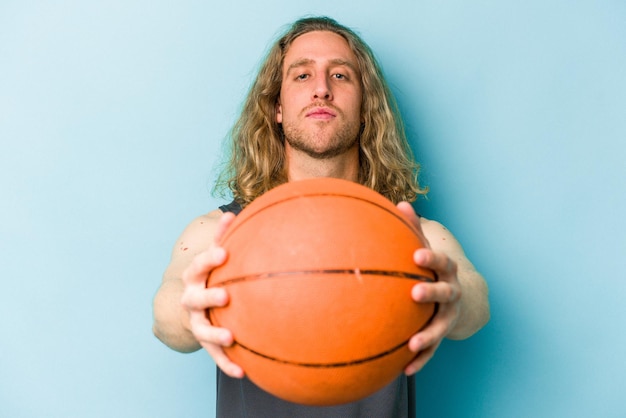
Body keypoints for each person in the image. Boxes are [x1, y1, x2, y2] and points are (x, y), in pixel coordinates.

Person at [152, 16, 490, 417]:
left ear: (366, 108)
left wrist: (451, 298)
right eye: (302, 75)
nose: (321, 89)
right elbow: (166, 315)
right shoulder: (221, 232)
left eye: (341, 75)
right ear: (277, 108)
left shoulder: (413, 235)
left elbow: (474, 303)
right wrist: (193, 309)